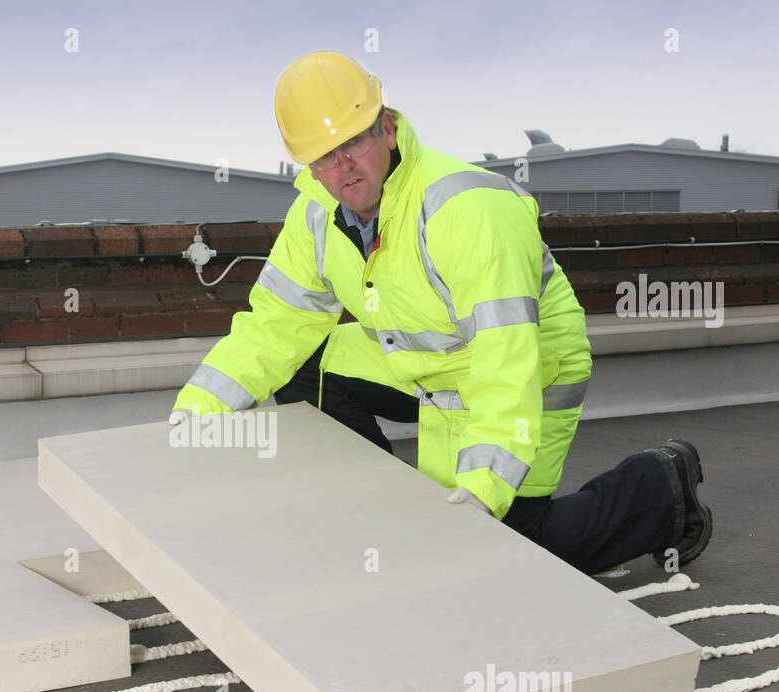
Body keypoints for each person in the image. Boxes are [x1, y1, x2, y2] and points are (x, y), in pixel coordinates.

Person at [170, 50, 711, 576]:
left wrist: (484, 486)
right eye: (324, 156)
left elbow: (507, 356)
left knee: (499, 552)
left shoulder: (466, 208)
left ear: (385, 127)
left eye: (353, 142)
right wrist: (199, 408)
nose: (343, 168)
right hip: (423, 363)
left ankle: (659, 487)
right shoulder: (315, 212)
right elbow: (276, 323)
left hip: (526, 370)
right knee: (305, 364)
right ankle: (384, 510)